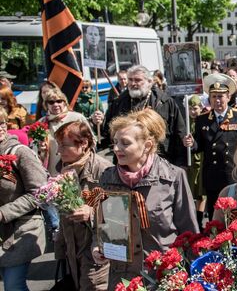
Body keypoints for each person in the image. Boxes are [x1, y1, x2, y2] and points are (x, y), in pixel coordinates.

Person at [92, 109, 198, 290]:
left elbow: (189, 231)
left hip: (163, 275)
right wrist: (97, 247)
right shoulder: (107, 179)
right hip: (122, 276)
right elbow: (101, 225)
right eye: (115, 142)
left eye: (125, 143)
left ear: (147, 145)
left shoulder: (172, 177)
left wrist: (192, 275)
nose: (116, 149)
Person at [53, 121, 111, 290]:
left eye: (64, 146)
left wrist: (92, 214)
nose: (58, 151)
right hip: (73, 255)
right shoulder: (65, 170)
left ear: (84, 143)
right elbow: (64, 216)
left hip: (96, 255)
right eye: (58, 145)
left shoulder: (104, 170)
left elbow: (119, 216)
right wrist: (60, 250)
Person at [183, 74, 237, 221]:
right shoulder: (202, 119)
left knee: (235, 213)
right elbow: (198, 147)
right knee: (215, 215)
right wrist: (191, 144)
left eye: (221, 96)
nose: (217, 100)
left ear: (228, 97)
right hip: (212, 175)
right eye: (214, 97)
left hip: (233, 173)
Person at [96, 65, 187, 165]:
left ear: (149, 82)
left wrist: (181, 164)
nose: (132, 83)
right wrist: (98, 123)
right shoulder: (119, 102)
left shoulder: (165, 102)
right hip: (128, 164)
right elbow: (107, 133)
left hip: (159, 162)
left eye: (137, 80)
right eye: (130, 79)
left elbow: (179, 133)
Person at [0, 108, 48, 291]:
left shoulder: (21, 153)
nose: (0, 128)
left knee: (13, 285)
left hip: (22, 228)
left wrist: (3, 213)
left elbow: (39, 193)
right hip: (3, 232)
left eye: (2, 123)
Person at [38, 87, 92, 175]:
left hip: (78, 167)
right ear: (46, 105)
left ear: (65, 102)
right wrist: (40, 149)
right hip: (53, 169)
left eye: (59, 101)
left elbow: (91, 141)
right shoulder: (41, 123)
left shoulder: (77, 118)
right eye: (51, 102)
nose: (55, 104)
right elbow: (34, 149)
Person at [187, 95, 208, 228]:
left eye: (195, 108)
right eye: (190, 109)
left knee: (202, 192)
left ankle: (199, 219)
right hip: (191, 162)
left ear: (200, 108)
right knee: (191, 191)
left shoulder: (204, 121)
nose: (193, 111)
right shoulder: (186, 123)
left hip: (203, 160)